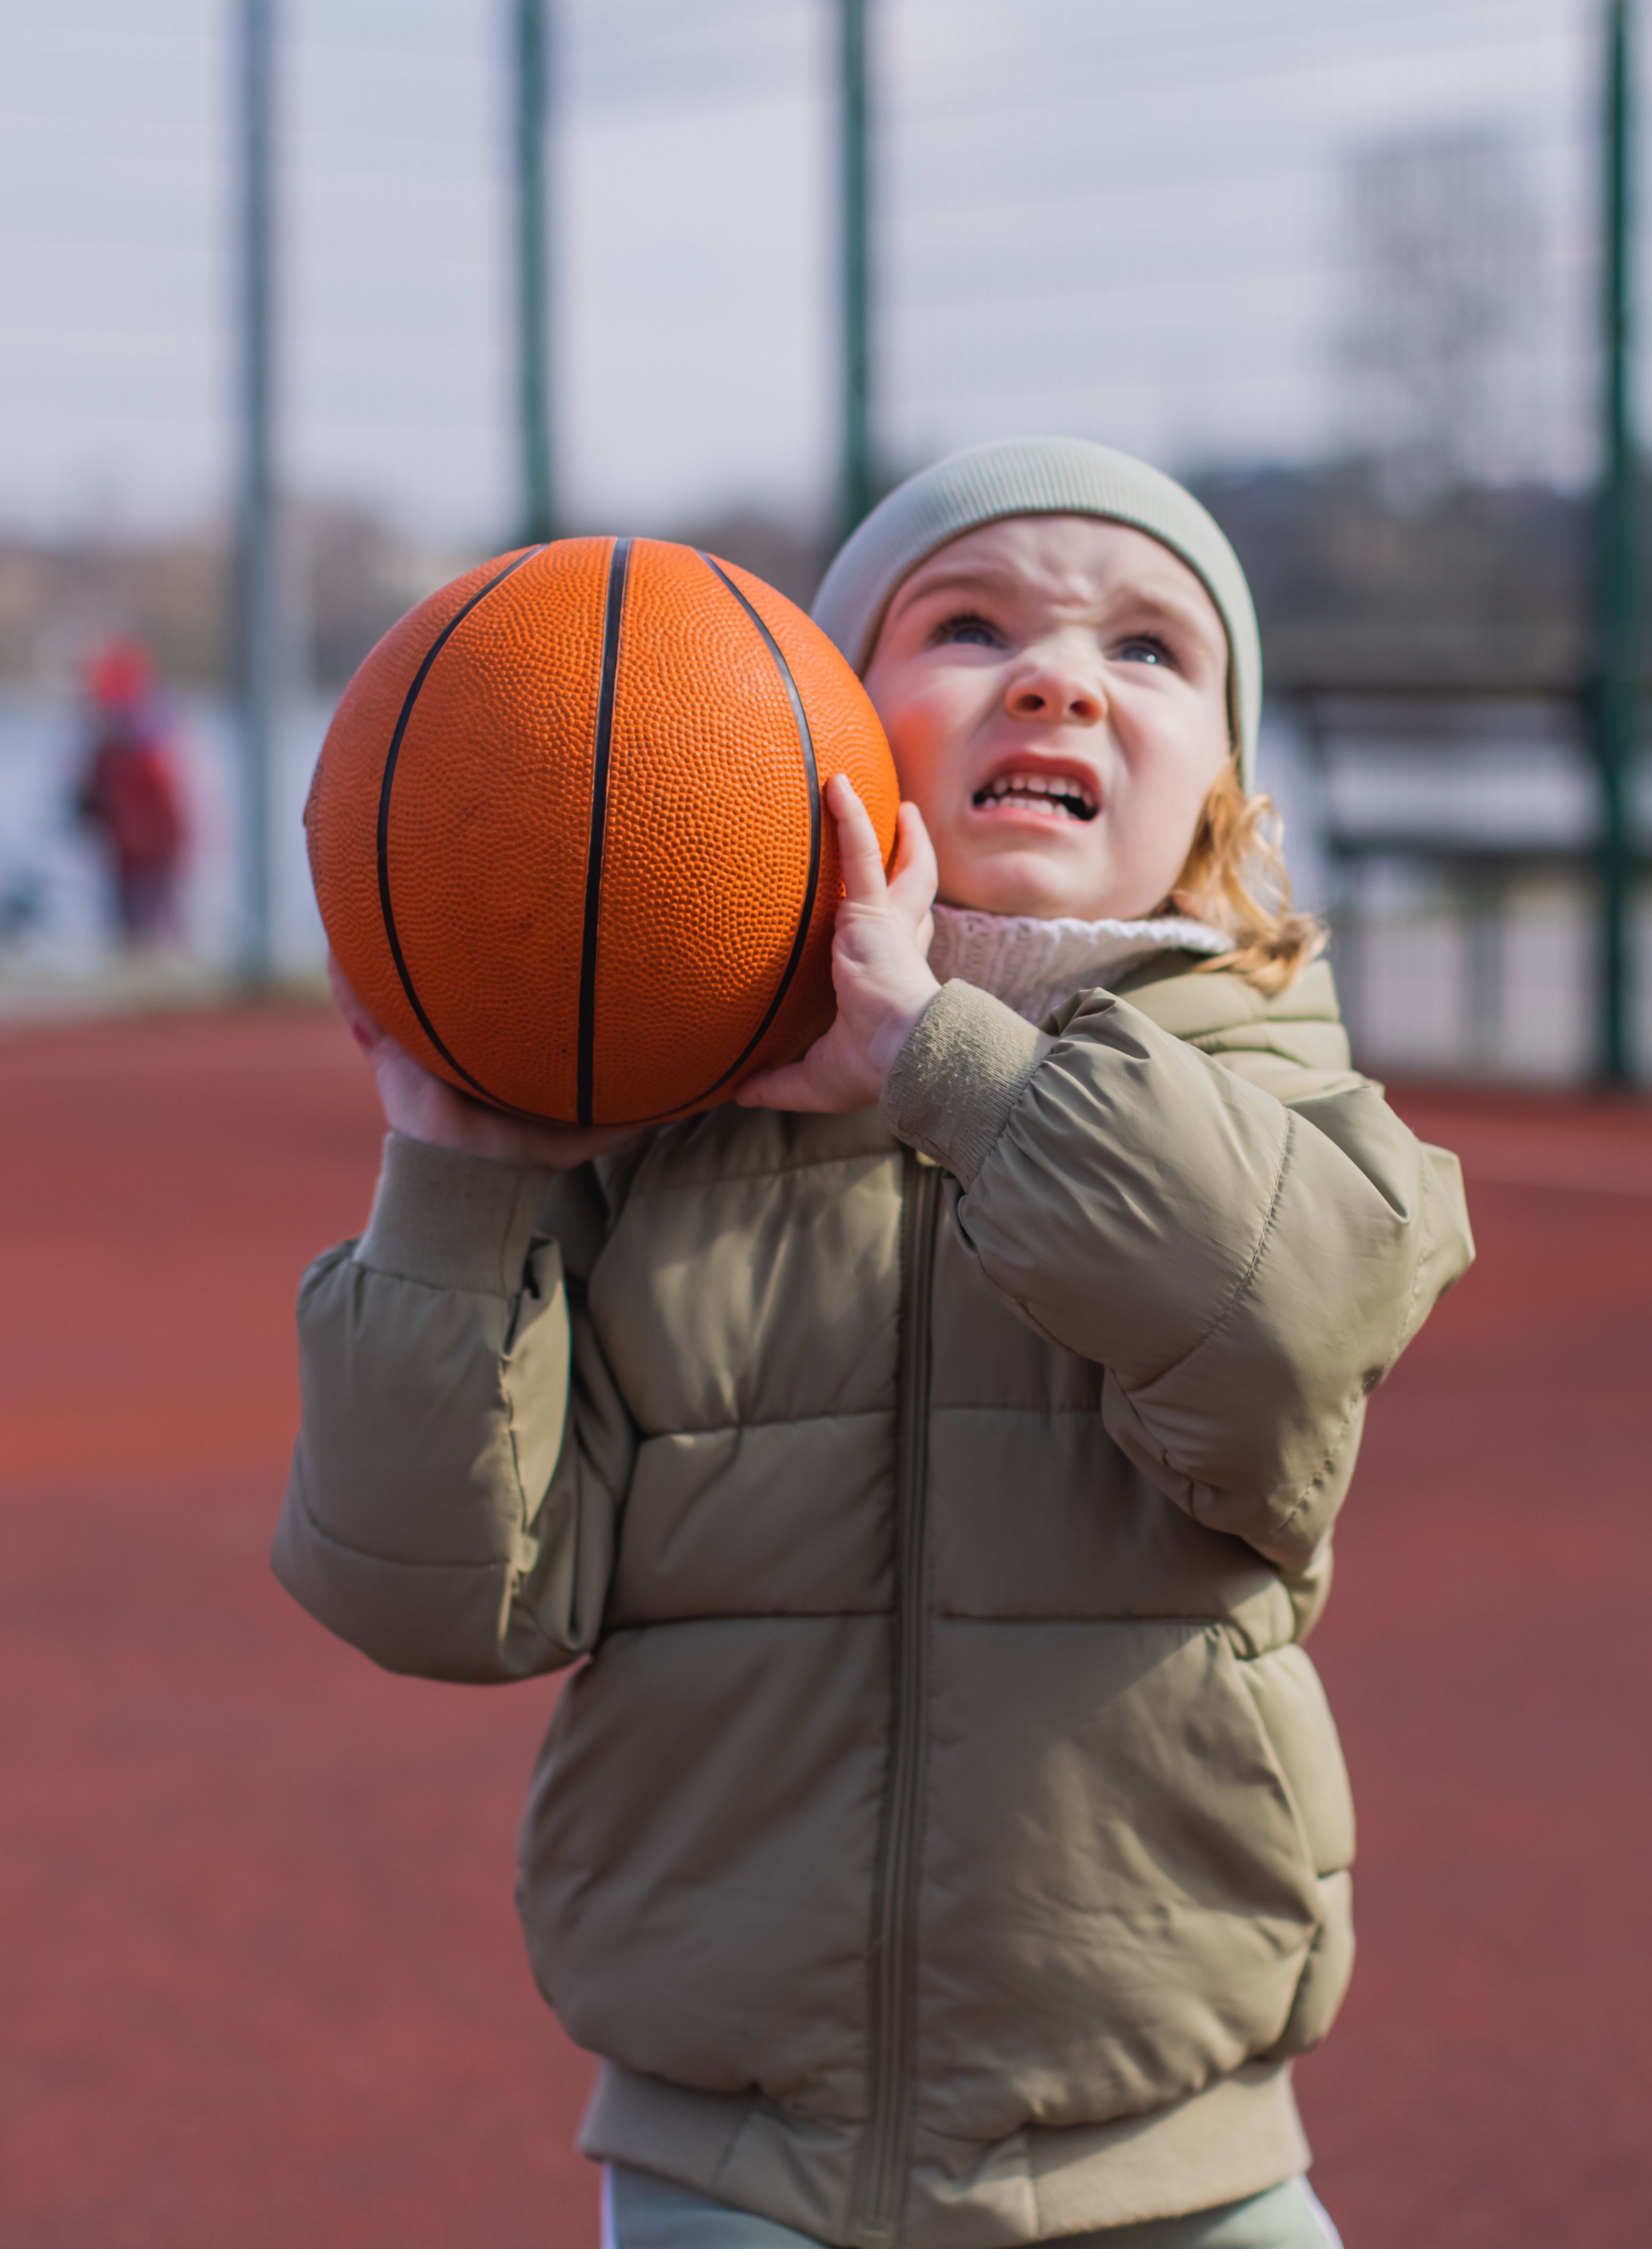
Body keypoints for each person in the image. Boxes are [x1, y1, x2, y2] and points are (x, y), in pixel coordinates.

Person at [279, 440, 1476, 2247]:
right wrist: (455, 1190)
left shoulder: (1279, 1086)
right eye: (970, 623)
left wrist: (951, 1067)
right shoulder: (668, 1133)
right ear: (813, 731)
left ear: (1225, 797)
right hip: (730, 2142)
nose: (1060, 673)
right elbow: (442, 1595)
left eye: (1151, 651)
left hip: (1163, 2134)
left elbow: (1279, 1330)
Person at [71, 639, 189, 951]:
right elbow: (90, 800)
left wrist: (171, 851)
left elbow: (170, 813)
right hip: (122, 858)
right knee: (127, 933)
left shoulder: (150, 755)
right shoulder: (107, 754)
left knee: (157, 929)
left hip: (153, 861)